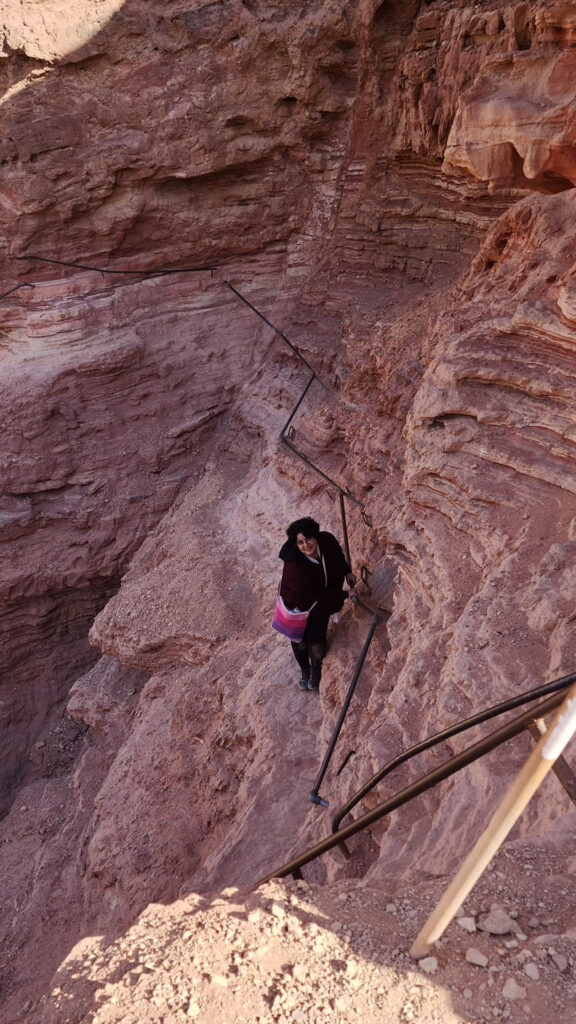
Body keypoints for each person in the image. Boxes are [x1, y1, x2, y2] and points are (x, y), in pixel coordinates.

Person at [278, 516, 357, 692]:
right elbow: (315, 594)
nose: (305, 545)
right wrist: (345, 594)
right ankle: (305, 670)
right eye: (300, 542)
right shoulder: (295, 565)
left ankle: (316, 669)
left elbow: (338, 556)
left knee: (317, 642)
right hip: (299, 607)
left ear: (316, 536)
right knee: (299, 641)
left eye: (308, 539)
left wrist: (347, 572)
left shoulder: (327, 541)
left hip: (319, 607)